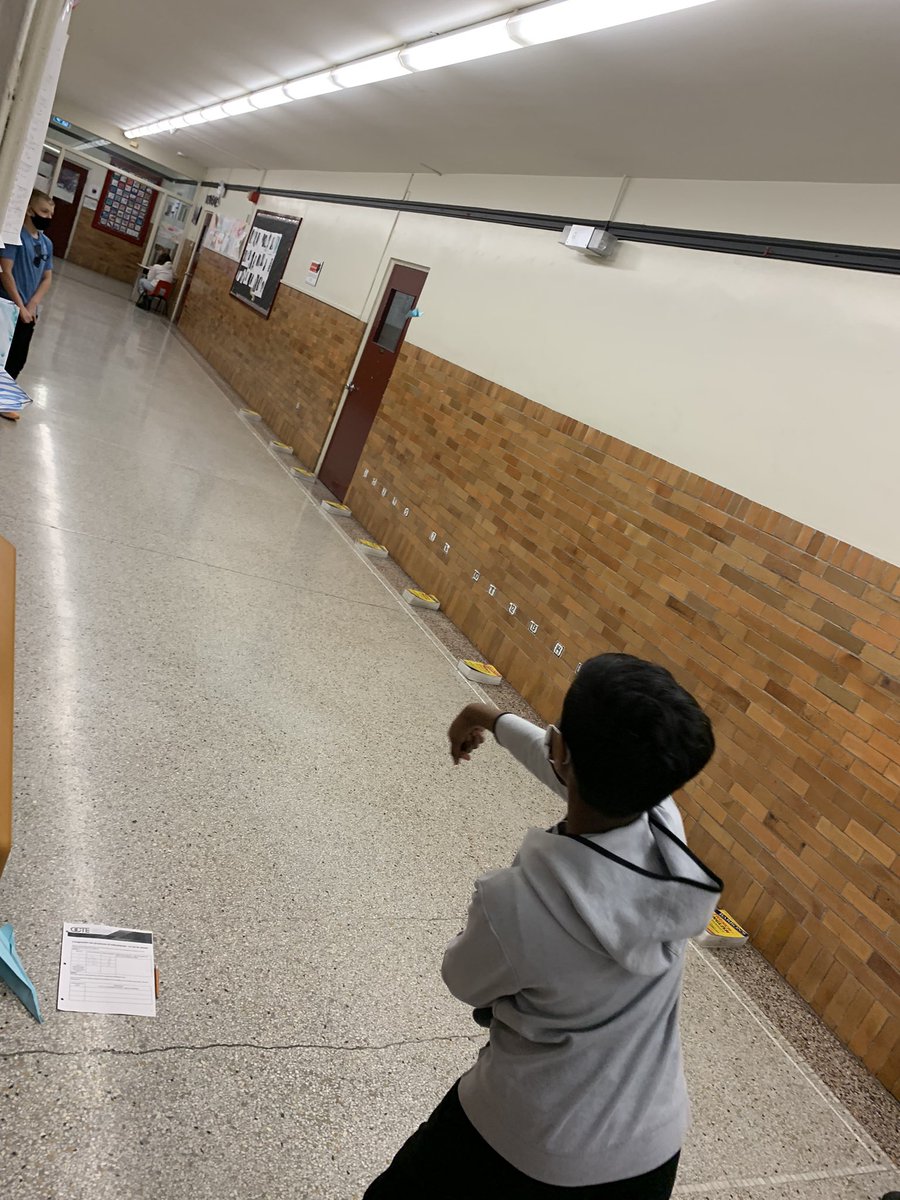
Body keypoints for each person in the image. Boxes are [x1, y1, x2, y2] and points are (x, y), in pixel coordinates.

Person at [365, 653, 722, 1200]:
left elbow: (463, 980)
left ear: (561, 750)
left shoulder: (514, 903)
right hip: (650, 1153)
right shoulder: (663, 828)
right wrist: (489, 717)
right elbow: (578, 772)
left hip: (526, 1142)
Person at [0, 189, 54, 410]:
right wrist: (20, 305)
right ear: (30, 210)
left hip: (28, 311)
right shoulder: (15, 236)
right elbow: (5, 272)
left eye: (51, 213)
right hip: (8, 306)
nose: (48, 217)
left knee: (18, 357)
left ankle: (4, 398)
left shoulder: (47, 243)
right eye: (44, 211)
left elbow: (47, 277)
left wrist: (32, 305)